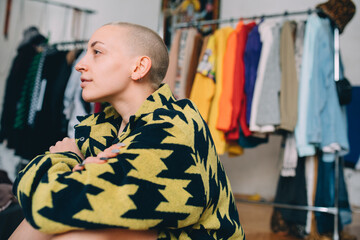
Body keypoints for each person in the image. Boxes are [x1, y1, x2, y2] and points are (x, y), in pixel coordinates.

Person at [10, 22, 245, 239]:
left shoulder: (173, 126)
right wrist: (79, 171)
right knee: (36, 223)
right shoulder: (103, 127)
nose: (80, 64)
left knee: (72, 235)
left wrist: (66, 158)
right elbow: (31, 195)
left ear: (139, 67)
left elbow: (55, 203)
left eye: (97, 52)